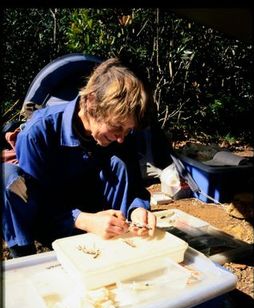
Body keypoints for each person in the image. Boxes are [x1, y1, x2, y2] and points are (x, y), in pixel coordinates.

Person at [2, 57, 157, 258]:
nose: (121, 138)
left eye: (127, 130)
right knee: (8, 178)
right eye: (117, 127)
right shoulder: (38, 133)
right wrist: (83, 220)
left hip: (101, 216)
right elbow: (39, 206)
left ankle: (120, 248)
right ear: (91, 102)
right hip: (53, 221)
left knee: (118, 163)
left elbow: (134, 185)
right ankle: (25, 258)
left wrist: (137, 209)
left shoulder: (121, 135)